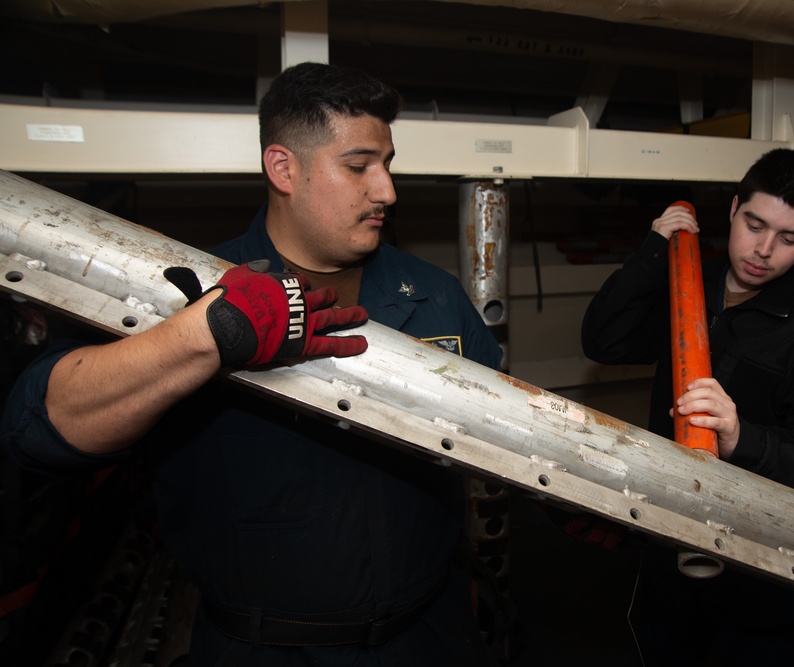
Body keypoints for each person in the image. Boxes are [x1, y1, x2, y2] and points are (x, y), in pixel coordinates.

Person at [2, 62, 502, 666]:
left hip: (431, 638)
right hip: (263, 650)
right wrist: (208, 336)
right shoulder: (189, 289)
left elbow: (507, 429)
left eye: (387, 163)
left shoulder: (434, 292)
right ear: (283, 168)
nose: (387, 190)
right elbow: (37, 432)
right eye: (358, 165)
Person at [580, 148, 794, 665]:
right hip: (669, 536)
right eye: (754, 224)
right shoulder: (688, 278)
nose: (762, 250)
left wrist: (744, 438)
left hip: (761, 572)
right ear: (734, 208)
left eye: (789, 238)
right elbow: (604, 342)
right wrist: (652, 252)